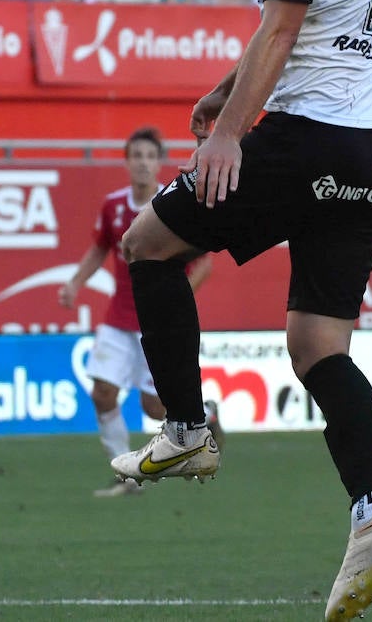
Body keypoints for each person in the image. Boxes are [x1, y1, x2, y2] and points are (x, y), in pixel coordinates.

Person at [108, 0, 372, 620]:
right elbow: (305, 24)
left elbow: (283, 25)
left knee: (146, 246)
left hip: (306, 139)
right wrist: (227, 89)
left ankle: (186, 430)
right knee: (318, 347)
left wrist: (229, 133)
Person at [58, 127, 217, 497]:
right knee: (102, 393)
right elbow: (100, 248)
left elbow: (204, 264)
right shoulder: (113, 205)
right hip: (119, 319)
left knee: (154, 407)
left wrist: (172, 302)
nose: (143, 163)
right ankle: (125, 477)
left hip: (157, 323)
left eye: (150, 156)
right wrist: (75, 283)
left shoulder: (172, 202)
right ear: (127, 162)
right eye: (137, 156)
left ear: (159, 162)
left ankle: (207, 415)